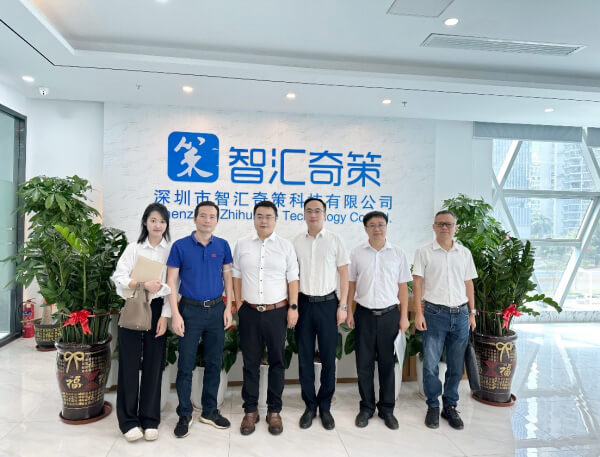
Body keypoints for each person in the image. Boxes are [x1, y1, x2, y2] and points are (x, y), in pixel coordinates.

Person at [166, 201, 234, 438]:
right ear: (195, 218)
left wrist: (228, 307)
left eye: (212, 216)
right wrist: (175, 313)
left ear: (217, 220)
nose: (207, 220)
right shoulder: (180, 246)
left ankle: (210, 411)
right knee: (185, 365)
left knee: (214, 363)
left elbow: (228, 277)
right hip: (189, 311)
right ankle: (184, 414)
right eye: (203, 216)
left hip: (216, 309)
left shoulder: (222, 245)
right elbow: (171, 281)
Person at [232, 200, 299, 436]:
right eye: (259, 216)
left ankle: (274, 411)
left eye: (269, 216)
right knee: (250, 362)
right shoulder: (242, 244)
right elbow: (236, 275)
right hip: (249, 312)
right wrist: (239, 304)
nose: (264, 220)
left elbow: (293, 278)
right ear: (253, 218)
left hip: (277, 312)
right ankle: (250, 410)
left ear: (276, 220)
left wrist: (293, 307)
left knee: (277, 362)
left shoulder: (285, 246)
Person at [111, 202, 172, 442]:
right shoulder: (134, 248)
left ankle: (150, 419)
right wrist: (142, 284)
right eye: (153, 220)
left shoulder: (170, 251)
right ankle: (128, 421)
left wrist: (165, 315)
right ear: (145, 222)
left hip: (157, 309)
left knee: (154, 364)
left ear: (166, 225)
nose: (158, 225)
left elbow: (173, 287)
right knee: (129, 363)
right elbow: (118, 277)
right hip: (134, 305)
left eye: (162, 221)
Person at [412, 210, 477, 430]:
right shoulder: (423, 252)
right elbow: (417, 283)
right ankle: (432, 405)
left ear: (455, 227)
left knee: (456, 366)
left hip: (461, 315)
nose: (444, 228)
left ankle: (450, 406)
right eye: (440, 224)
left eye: (449, 224)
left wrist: (472, 312)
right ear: (434, 227)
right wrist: (418, 313)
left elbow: (469, 283)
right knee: (430, 365)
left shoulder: (464, 253)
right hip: (434, 314)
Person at [346, 210, 411, 430]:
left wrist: (404, 316)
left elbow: (403, 287)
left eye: (381, 224)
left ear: (386, 227)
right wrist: (349, 312)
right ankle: (366, 408)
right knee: (364, 364)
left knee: (387, 365)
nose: (377, 229)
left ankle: (387, 409)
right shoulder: (357, 253)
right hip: (364, 314)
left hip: (390, 315)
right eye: (372, 225)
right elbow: (351, 285)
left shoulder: (398, 253)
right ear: (365, 229)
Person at [293, 197, 349, 430]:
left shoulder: (335, 240)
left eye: (317, 210)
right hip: (304, 304)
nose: (313, 214)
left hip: (328, 305)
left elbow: (344, 274)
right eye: (309, 211)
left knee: (328, 358)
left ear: (325, 214)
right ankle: (310, 405)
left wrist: (343, 305)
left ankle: (325, 406)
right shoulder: (296, 242)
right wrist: (293, 306)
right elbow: (292, 276)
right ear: (304, 214)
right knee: (305, 358)